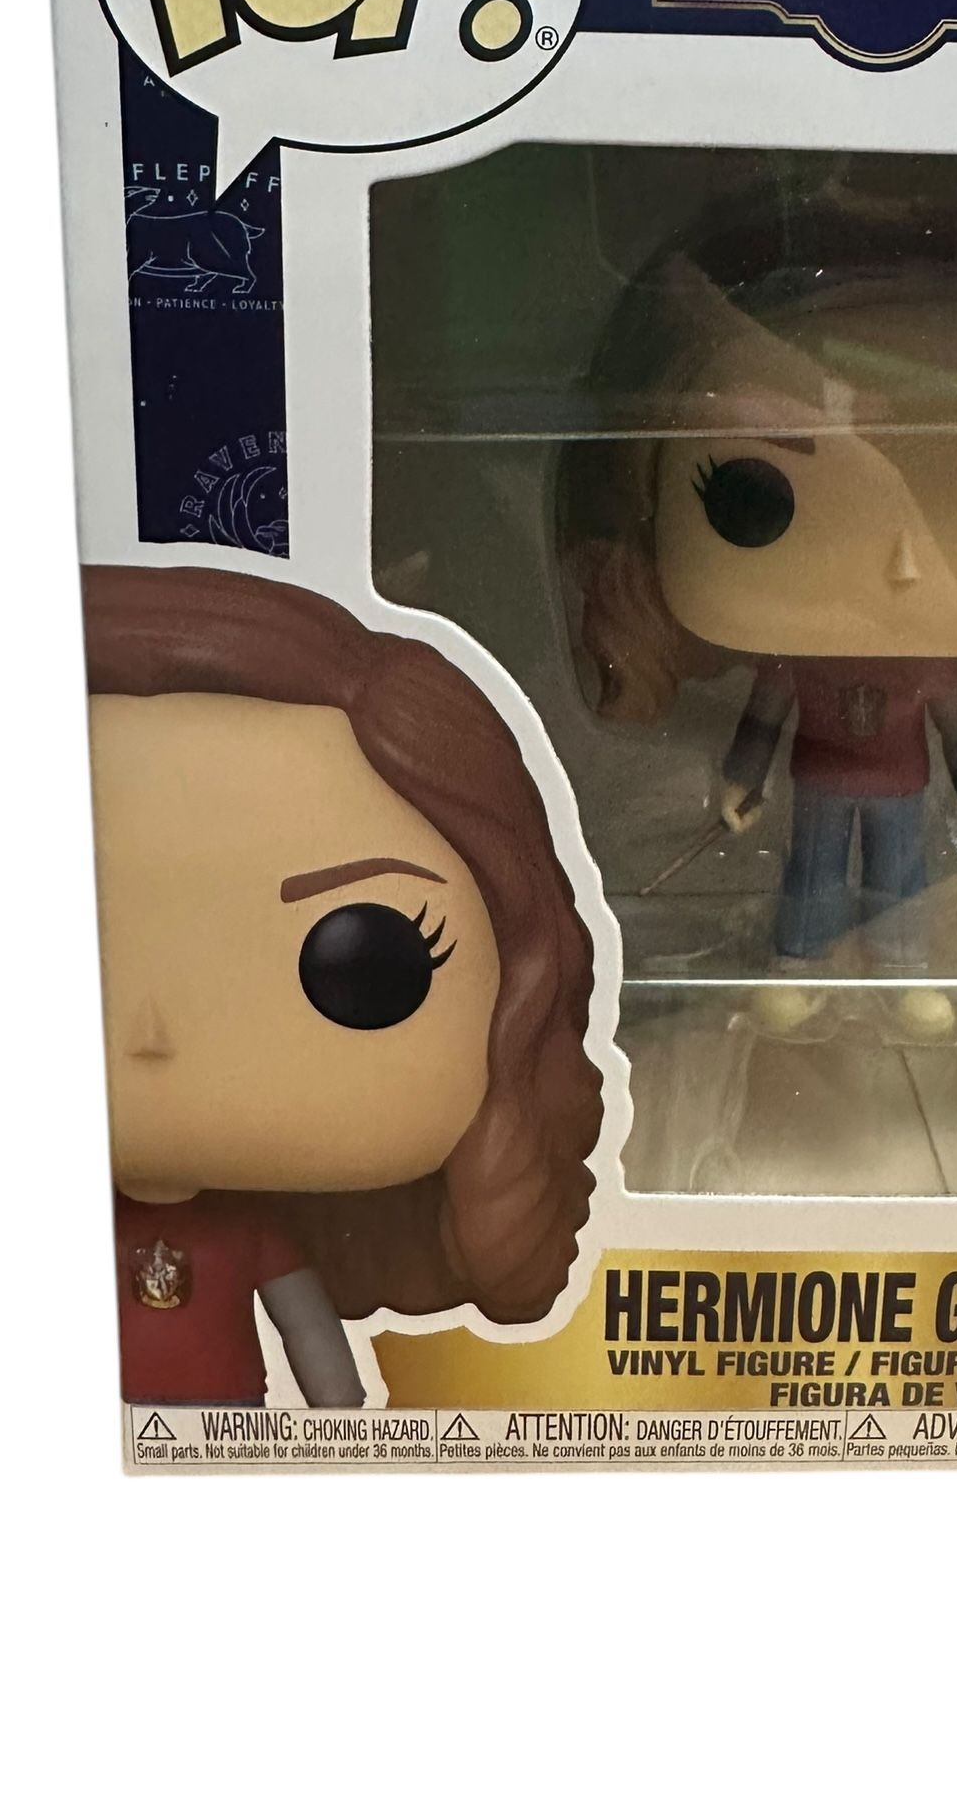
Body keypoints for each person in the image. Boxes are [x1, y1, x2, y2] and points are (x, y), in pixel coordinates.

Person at [563, 191, 957, 1032]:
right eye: (752, 497)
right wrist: (741, 776)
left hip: (900, 786)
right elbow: (766, 713)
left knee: (902, 879)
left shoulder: (935, 662)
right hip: (820, 780)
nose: (906, 563)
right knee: (813, 872)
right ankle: (801, 962)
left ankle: (902, 969)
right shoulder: (802, 660)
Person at [85, 564, 602, 1407]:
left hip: (233, 1438)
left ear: (520, 986)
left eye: (364, 963)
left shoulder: (250, 1231)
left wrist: (343, 1429)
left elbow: (314, 1341)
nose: (151, 1033)